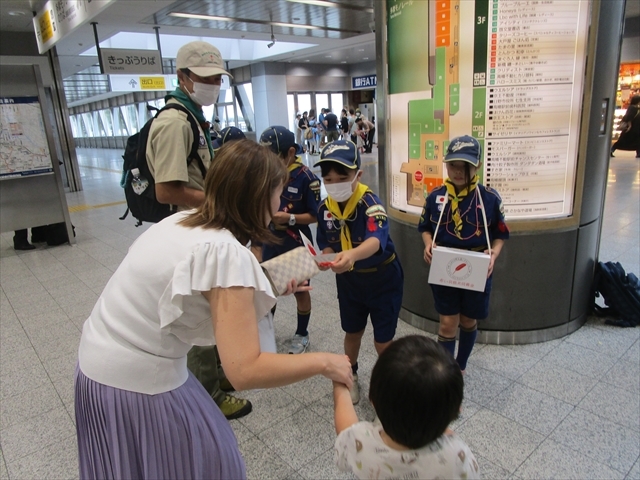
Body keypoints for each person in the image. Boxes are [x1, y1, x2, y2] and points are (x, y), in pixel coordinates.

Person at [75, 140, 353, 479]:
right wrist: (327, 362)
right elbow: (245, 369)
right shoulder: (226, 254)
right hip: (137, 381)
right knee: (215, 462)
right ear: (259, 198)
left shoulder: (184, 221)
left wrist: (265, 283)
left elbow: (202, 284)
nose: (280, 203)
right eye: (277, 193)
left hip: (100, 367)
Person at [144, 40, 251, 419]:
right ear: (183, 77)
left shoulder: (193, 117)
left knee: (213, 308)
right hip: (191, 232)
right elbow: (167, 189)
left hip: (202, 227)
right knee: (200, 315)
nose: (212, 84)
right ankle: (207, 396)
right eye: (204, 78)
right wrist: (217, 205)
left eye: (216, 78)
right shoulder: (175, 122)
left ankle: (217, 376)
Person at [314, 140, 404, 404]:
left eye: (343, 177)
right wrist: (327, 258)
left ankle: (385, 385)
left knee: (383, 341)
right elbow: (326, 242)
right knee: (352, 332)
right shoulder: (325, 208)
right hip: (350, 282)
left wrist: (350, 255)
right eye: (328, 179)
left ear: (358, 175)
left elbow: (376, 241)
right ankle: (349, 375)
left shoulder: (370, 204)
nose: (335, 184)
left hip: (382, 279)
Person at [418, 135, 509, 373]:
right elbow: (425, 227)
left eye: (465, 166)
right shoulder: (436, 196)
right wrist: (428, 244)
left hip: (476, 267)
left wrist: (494, 253)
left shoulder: (489, 198)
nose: (458, 172)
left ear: (477, 165)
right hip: (444, 266)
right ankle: (447, 373)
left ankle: (461, 366)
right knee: (447, 323)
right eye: (453, 165)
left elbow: (500, 233)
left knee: (468, 320)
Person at [333, 335, 480, 480]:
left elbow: (345, 428)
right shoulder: (456, 456)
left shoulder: (362, 443)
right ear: (457, 410)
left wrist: (340, 385)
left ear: (373, 402)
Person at [260, 126, 322, 354]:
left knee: (301, 291)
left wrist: (291, 218)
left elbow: (315, 216)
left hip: (295, 244)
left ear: (290, 152)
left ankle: (302, 333)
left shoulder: (306, 178)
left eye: (273, 155)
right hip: (270, 241)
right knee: (267, 291)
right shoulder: (266, 174)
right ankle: (265, 332)